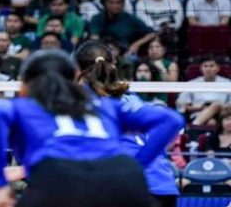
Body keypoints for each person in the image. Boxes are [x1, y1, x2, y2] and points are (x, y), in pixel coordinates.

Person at [0, 50, 183, 207]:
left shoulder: (29, 106)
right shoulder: (105, 105)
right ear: (73, 77)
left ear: (25, 83)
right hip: (123, 178)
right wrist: (138, 164)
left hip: (59, 177)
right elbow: (171, 120)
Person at [75, 41, 180, 207]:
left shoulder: (83, 99)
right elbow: (172, 122)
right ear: (113, 64)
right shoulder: (130, 96)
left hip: (124, 188)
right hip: (163, 186)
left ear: (77, 69)